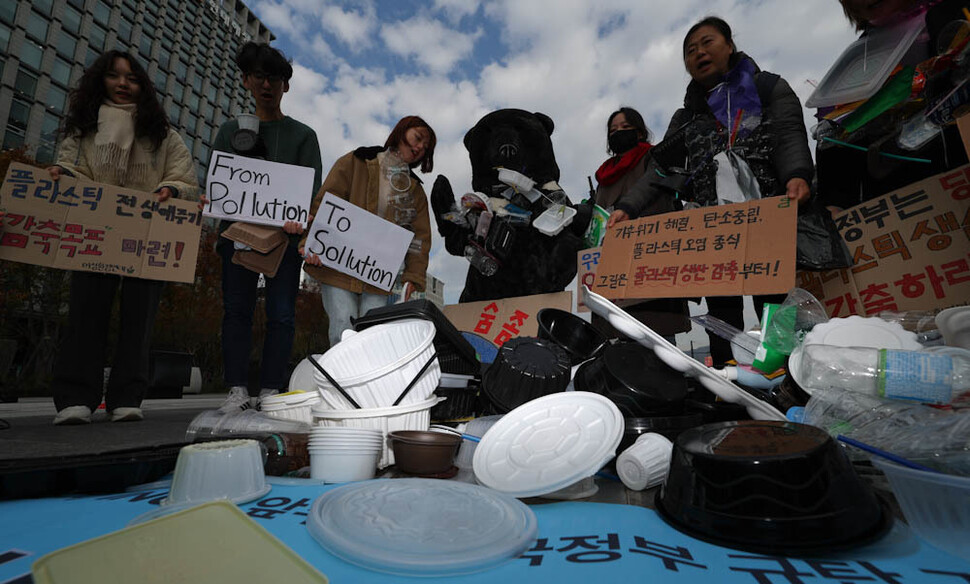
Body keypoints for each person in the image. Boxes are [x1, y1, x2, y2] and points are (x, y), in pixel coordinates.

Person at [612, 17, 814, 367]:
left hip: (767, 215)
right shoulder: (686, 117)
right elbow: (659, 169)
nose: (699, 53)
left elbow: (790, 134)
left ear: (730, 45)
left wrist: (797, 175)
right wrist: (628, 207)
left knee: (776, 301)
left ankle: (785, 372)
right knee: (722, 309)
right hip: (714, 230)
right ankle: (725, 375)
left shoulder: (768, 88)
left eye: (707, 43)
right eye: (690, 51)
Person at [47, 51, 198, 424]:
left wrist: (170, 189)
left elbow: (185, 178)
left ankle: (127, 397)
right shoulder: (83, 129)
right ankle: (74, 399)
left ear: (141, 86)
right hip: (94, 233)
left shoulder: (165, 136)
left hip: (146, 237)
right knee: (85, 313)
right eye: (114, 76)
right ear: (101, 81)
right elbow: (72, 167)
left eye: (130, 79)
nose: (121, 84)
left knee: (139, 319)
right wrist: (61, 175)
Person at [208, 43, 322, 412]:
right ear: (246, 81)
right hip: (236, 237)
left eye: (275, 77)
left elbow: (310, 189)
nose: (267, 84)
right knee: (236, 310)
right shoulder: (230, 131)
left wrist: (299, 220)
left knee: (283, 314)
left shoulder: (303, 136)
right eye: (259, 76)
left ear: (286, 86)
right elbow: (219, 182)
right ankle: (237, 389)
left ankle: (271, 388)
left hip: (284, 241)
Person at [302, 116, 435, 346]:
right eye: (418, 138)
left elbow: (418, 239)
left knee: (371, 334)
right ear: (402, 131)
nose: (419, 148)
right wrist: (309, 241)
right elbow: (324, 203)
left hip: (377, 275)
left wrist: (413, 276)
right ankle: (341, 380)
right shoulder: (356, 161)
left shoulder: (416, 193)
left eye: (425, 148)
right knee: (342, 326)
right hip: (337, 267)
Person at [591, 107, 689, 341]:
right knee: (616, 338)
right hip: (614, 264)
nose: (618, 133)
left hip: (652, 257)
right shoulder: (604, 174)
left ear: (640, 131)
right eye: (613, 130)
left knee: (658, 338)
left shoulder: (655, 159)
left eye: (625, 128)